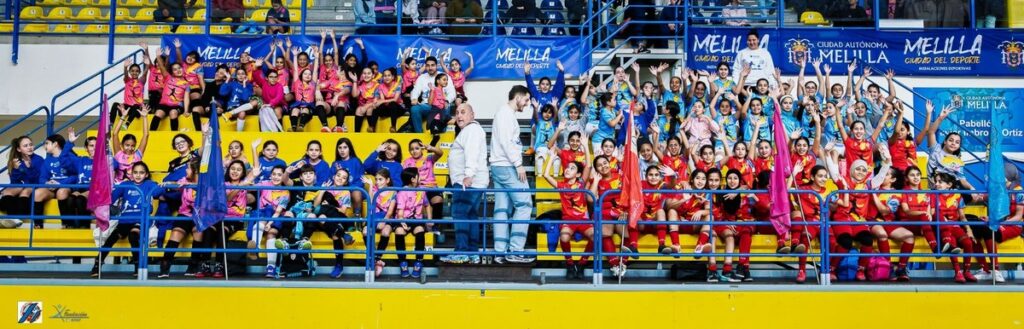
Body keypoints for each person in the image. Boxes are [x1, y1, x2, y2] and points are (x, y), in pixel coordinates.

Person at [490, 86, 535, 264]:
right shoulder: (506, 115)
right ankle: (516, 250)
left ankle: (499, 252)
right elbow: (507, 142)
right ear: (518, 97)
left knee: (502, 210)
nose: (527, 103)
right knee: (525, 205)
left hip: (498, 166)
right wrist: (518, 164)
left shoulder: (504, 114)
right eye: (526, 99)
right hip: (508, 166)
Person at [440, 104, 488, 264]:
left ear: (472, 114)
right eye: (457, 113)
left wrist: (468, 175)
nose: (459, 116)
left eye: (463, 112)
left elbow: (471, 153)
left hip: (467, 182)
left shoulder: (471, 130)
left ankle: (461, 252)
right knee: (470, 216)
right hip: (470, 182)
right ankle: (472, 253)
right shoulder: (470, 130)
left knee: (460, 214)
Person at [408, 56, 456, 133]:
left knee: (445, 107)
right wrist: (414, 98)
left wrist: (446, 100)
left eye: (432, 65)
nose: (430, 68)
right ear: (425, 66)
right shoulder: (422, 77)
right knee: (414, 109)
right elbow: (415, 90)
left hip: (440, 105)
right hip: (427, 106)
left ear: (436, 66)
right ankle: (419, 135)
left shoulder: (444, 76)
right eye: (428, 65)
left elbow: (452, 92)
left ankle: (441, 133)